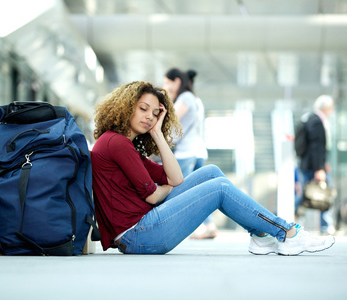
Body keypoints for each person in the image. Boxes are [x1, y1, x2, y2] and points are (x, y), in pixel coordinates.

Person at [91, 81, 335, 255]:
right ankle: (286, 233)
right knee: (219, 188)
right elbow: (154, 195)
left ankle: (260, 237)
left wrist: (157, 134)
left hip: (142, 228)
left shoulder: (125, 144)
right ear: (126, 106)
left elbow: (174, 179)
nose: (149, 117)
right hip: (138, 235)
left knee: (211, 172)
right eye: (143, 108)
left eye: (155, 114)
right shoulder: (117, 142)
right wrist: (164, 188)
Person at [186, 69, 218, 239]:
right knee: (199, 189)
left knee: (185, 191)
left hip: (188, 152)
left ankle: (199, 227)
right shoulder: (198, 101)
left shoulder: (185, 101)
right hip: (199, 150)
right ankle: (209, 225)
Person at [297, 95, 336, 234]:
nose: (332, 110)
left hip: (309, 165)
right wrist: (319, 168)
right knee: (324, 193)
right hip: (313, 167)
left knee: (307, 195)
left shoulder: (309, 118)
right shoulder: (317, 121)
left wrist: (323, 163)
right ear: (325, 108)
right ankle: (326, 225)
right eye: (331, 107)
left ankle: (294, 223)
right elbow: (316, 147)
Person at [163, 68, 199, 177]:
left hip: (181, 153)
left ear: (177, 81)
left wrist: (167, 98)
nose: (166, 87)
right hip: (185, 151)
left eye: (168, 83)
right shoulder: (189, 97)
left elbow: (169, 118)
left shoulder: (186, 98)